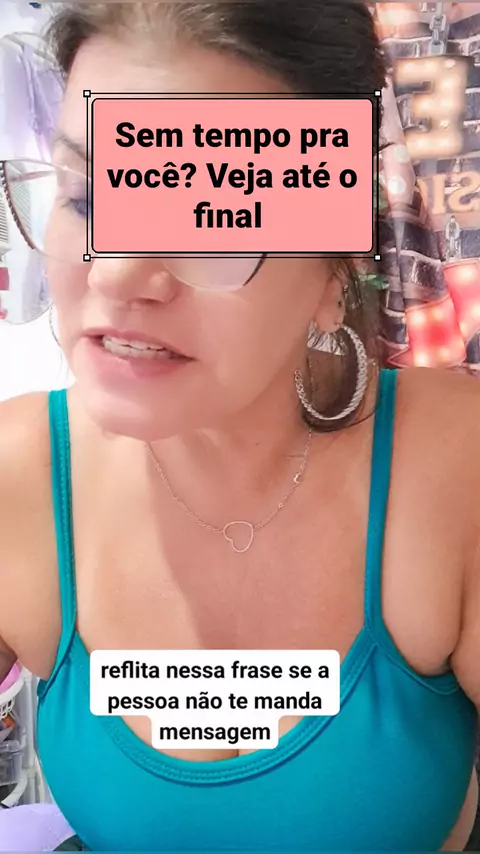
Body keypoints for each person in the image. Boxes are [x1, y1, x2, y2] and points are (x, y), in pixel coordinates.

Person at [0, 1, 479, 850]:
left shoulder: (449, 470)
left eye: (212, 215)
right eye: (84, 195)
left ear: (334, 271)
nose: (116, 273)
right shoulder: (20, 477)